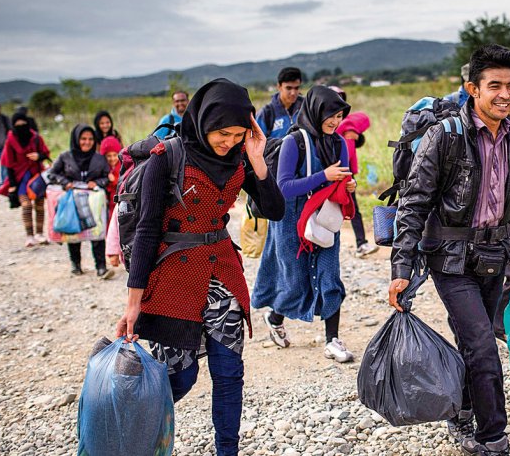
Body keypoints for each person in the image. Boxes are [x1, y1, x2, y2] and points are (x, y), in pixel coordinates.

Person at [387, 45, 510, 456]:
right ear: (473, 89)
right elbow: (414, 204)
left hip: (495, 257)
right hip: (450, 261)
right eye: (494, 86)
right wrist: (401, 266)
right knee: (484, 346)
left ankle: (462, 408)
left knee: (474, 340)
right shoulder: (444, 136)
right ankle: (492, 438)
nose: (504, 94)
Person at [115, 79, 283, 456]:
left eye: (239, 133)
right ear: (204, 120)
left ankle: (228, 451)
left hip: (223, 274)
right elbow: (145, 231)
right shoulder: (166, 156)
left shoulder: (240, 156)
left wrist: (256, 158)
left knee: (229, 375)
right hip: (172, 278)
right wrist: (133, 302)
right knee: (180, 377)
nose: (229, 141)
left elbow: (274, 210)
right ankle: (135, 438)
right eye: (223, 133)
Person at [252, 86, 357, 361]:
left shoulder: (339, 144)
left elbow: (341, 180)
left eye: (339, 116)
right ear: (315, 111)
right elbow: (284, 187)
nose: (335, 122)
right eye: (330, 116)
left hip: (324, 218)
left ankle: (332, 340)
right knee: (294, 281)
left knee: (329, 277)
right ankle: (275, 319)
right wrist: (325, 174)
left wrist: (349, 184)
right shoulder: (294, 142)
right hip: (291, 220)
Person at [47, 124, 112, 277]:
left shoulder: (99, 159)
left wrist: (97, 183)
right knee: (73, 230)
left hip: (93, 201)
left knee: (97, 231)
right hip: (73, 199)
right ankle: (75, 264)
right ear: (76, 139)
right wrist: (65, 182)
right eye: (83, 139)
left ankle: (101, 266)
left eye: (90, 139)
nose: (87, 142)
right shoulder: (65, 156)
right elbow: (51, 174)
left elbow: (107, 177)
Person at [0, 112, 50, 246]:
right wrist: (12, 184)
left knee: (39, 205)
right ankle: (29, 235)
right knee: (26, 205)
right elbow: (8, 164)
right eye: (18, 125)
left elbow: (46, 154)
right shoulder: (10, 141)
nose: (21, 127)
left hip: (36, 176)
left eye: (23, 124)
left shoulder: (36, 137)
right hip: (20, 178)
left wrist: (38, 156)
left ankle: (40, 233)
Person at [337, 111, 379, 258]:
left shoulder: (348, 126)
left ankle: (361, 243)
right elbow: (347, 154)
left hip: (345, 174)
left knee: (352, 207)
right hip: (337, 173)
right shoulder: (344, 128)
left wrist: (358, 136)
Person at [256, 67, 305, 139]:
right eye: (289, 88)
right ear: (279, 86)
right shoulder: (266, 113)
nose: (293, 93)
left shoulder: (306, 108)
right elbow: (258, 142)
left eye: (296, 88)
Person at [99, 136, 124, 209]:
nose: (112, 158)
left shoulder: (122, 167)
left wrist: (114, 180)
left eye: (115, 155)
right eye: (109, 156)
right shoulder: (102, 167)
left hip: (116, 203)